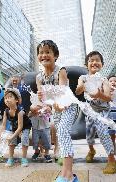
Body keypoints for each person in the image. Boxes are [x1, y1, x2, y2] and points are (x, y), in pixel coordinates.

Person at [35, 40, 78, 182]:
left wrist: (55, 103)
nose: (44, 55)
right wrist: (43, 106)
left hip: (68, 106)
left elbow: (62, 92)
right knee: (61, 135)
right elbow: (43, 98)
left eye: (48, 52)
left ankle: (68, 175)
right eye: (41, 53)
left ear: (55, 55)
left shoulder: (61, 71)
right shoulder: (39, 77)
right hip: (56, 109)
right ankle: (67, 173)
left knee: (63, 133)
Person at [75, 51, 116, 174]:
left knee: (103, 132)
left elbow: (108, 97)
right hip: (90, 111)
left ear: (102, 64)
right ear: (86, 65)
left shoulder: (104, 80)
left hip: (103, 111)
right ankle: (91, 150)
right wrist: (84, 86)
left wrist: (99, 94)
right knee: (89, 135)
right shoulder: (82, 78)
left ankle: (112, 160)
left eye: (97, 60)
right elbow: (78, 92)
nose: (94, 62)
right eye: (91, 60)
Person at [0, 88, 31, 167]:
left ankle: (24, 158)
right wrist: (0, 134)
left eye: (10, 97)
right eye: (5, 98)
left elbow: (21, 127)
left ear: (16, 100)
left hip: (24, 127)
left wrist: (13, 136)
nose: (7, 100)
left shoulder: (20, 112)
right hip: (15, 127)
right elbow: (3, 125)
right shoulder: (6, 111)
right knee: (11, 141)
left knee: (24, 138)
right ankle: (11, 158)